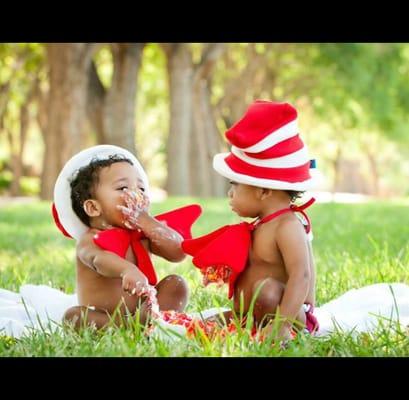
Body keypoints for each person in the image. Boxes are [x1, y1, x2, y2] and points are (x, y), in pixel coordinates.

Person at [182, 100, 319, 340]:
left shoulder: (288, 226)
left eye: (235, 184)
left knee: (265, 289)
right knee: (201, 326)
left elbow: (302, 275)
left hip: (287, 315)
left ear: (264, 191)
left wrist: (284, 324)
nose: (230, 193)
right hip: (250, 313)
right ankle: (245, 322)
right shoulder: (261, 224)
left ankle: (276, 329)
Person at [52, 145, 201, 330]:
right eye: (123, 187)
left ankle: (151, 319)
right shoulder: (89, 240)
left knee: (177, 284)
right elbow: (99, 259)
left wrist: (148, 222)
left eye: (141, 188)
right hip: (102, 314)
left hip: (146, 308)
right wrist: (126, 270)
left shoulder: (142, 233)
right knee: (73, 317)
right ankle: (126, 326)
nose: (135, 194)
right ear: (93, 208)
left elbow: (177, 252)